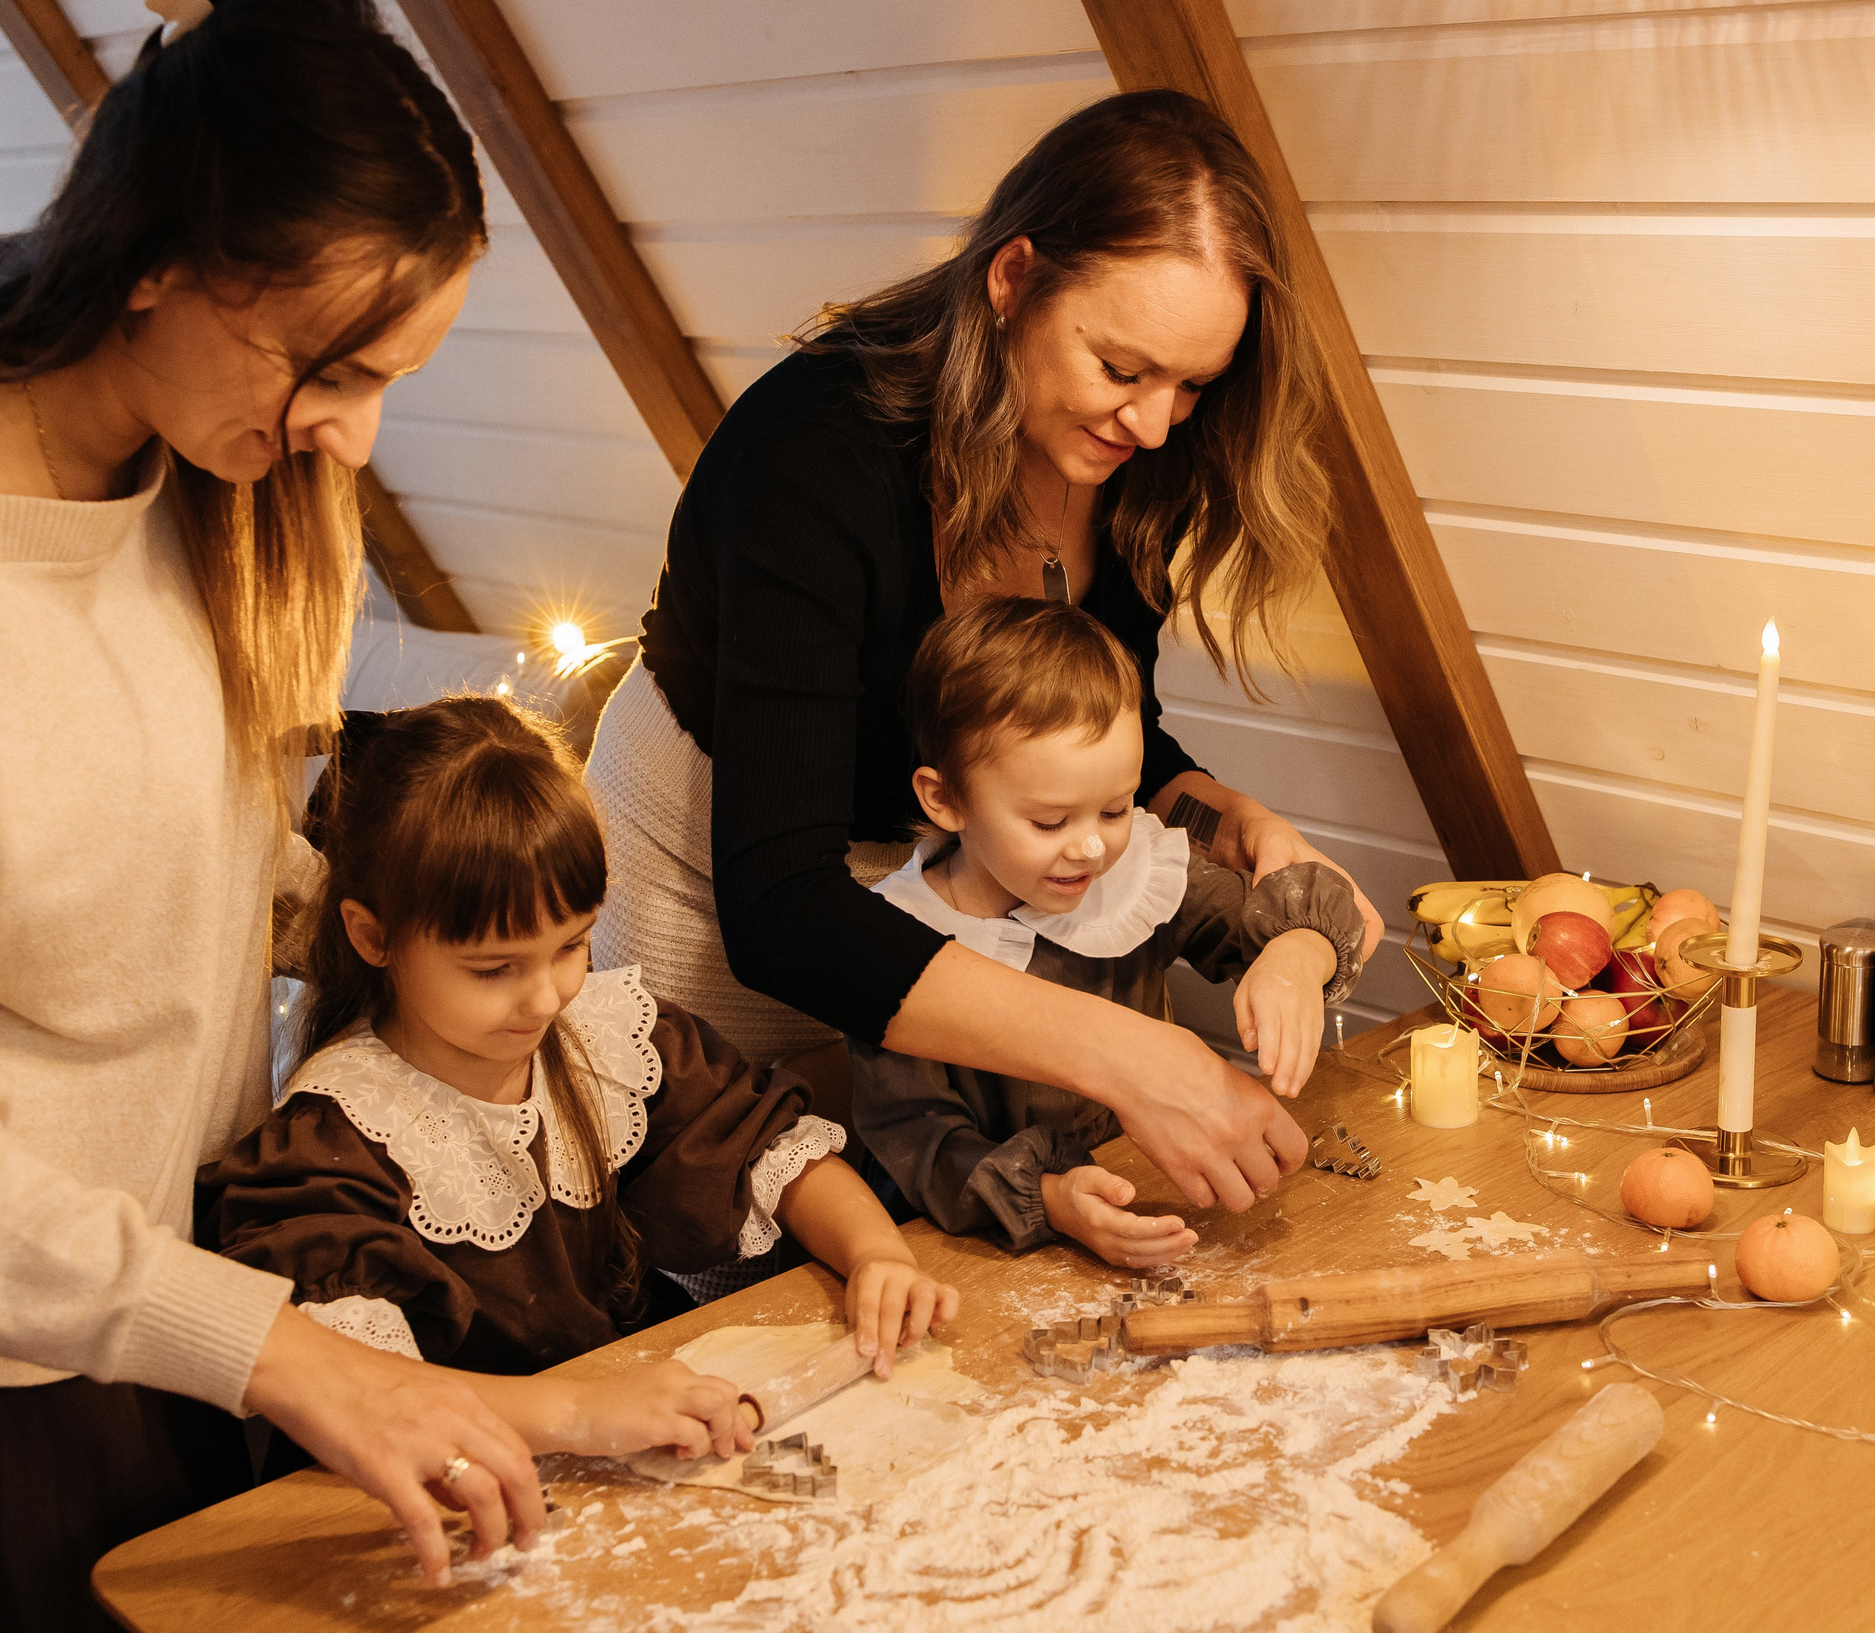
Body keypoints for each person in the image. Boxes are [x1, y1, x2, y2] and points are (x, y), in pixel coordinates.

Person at [0, 0, 542, 1629]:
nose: (354, 437)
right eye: (332, 368)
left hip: (173, 1282)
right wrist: (289, 1357)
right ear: (160, 265)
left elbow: (196, 852)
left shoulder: (216, 475)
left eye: (392, 377)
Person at [589, 89, 1383, 1222]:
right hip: (718, 886)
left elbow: (1085, 722)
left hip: (953, 872)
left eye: (1193, 385)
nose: (1156, 426)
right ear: (1011, 281)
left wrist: (1216, 811)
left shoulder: (1130, 463)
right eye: (1122, 368)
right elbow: (782, 906)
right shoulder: (811, 455)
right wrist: (1131, 1057)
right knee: (730, 1229)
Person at [201, 696, 957, 1445]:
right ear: (373, 936)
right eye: (493, 968)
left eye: (570, 945)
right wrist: (581, 1413)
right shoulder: (331, 1144)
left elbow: (765, 1144)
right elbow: (357, 1388)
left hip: (622, 1428)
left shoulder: (605, 1040)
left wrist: (876, 1253)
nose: (544, 997)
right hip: (463, 1469)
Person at [852, 601, 1364, 1265]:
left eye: (1117, 807)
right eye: (1049, 821)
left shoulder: (1135, 874)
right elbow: (922, 1148)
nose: (1092, 846)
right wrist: (1054, 1197)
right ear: (944, 798)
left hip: (1154, 1196)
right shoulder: (892, 941)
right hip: (971, 1256)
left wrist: (1297, 953)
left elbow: (1304, 905)